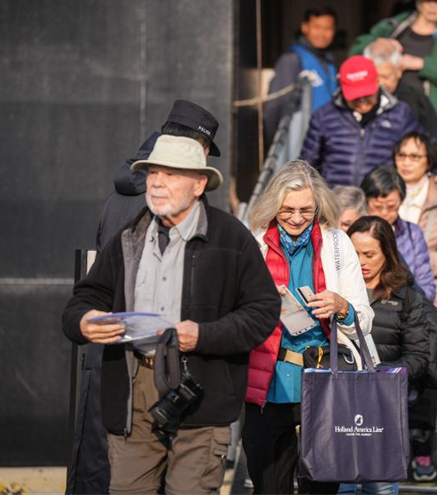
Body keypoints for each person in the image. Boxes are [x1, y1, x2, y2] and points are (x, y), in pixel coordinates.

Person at [62, 135, 280, 495]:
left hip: (202, 395)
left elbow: (263, 311)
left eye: (171, 174)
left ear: (199, 184)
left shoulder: (231, 238)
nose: (157, 182)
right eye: (152, 173)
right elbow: (85, 298)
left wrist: (204, 335)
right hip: (134, 395)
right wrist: (84, 321)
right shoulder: (129, 236)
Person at [243, 160, 374, 495]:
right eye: (287, 210)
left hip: (326, 379)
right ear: (273, 205)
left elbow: (364, 319)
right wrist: (259, 302)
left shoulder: (337, 244)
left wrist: (342, 307)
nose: (297, 218)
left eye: (306, 210)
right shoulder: (253, 243)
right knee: (269, 487)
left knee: (322, 487)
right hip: (269, 380)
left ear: (318, 206)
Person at [339, 216, 431, 495]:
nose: (361, 262)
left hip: (382, 406)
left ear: (388, 253)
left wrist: (381, 377)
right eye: (354, 253)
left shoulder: (407, 296)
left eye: (369, 255)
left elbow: (419, 356)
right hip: (339, 402)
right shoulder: (335, 289)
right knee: (339, 484)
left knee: (380, 486)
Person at [349, 0, 437, 137]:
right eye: (428, 0)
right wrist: (380, 44)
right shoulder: (394, 27)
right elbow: (355, 54)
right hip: (388, 114)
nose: (433, 6)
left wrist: (422, 64)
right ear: (418, 2)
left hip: (433, 118)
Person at [96, 99, 222, 251]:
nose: (203, 162)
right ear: (192, 148)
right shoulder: (173, 203)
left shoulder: (115, 198)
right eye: (204, 153)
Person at [300, 55, 422, 187]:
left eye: (367, 94)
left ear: (377, 82)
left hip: (381, 197)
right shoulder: (324, 116)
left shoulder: (400, 114)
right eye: (355, 96)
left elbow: (424, 152)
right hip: (335, 196)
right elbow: (306, 164)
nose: (362, 102)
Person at [394, 131, 437, 315]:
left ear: (429, 161)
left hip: (431, 301)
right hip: (389, 298)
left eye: (415, 157)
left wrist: (416, 260)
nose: (406, 162)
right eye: (401, 155)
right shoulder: (384, 195)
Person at [364, 42, 437, 182]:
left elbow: (435, 139)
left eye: (386, 77)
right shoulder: (360, 101)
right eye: (375, 78)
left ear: (398, 71)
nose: (381, 84)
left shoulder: (413, 99)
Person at [264, 8, 339, 147]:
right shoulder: (292, 59)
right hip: (300, 143)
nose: (322, 34)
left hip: (326, 143)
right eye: (317, 27)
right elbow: (275, 106)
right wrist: (277, 145)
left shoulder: (330, 63)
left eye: (327, 28)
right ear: (305, 27)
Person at [360, 166, 436, 303]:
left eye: (391, 206)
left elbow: (427, 288)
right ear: (365, 201)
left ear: (401, 202)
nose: (384, 213)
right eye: (377, 206)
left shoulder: (412, 233)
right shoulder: (355, 234)